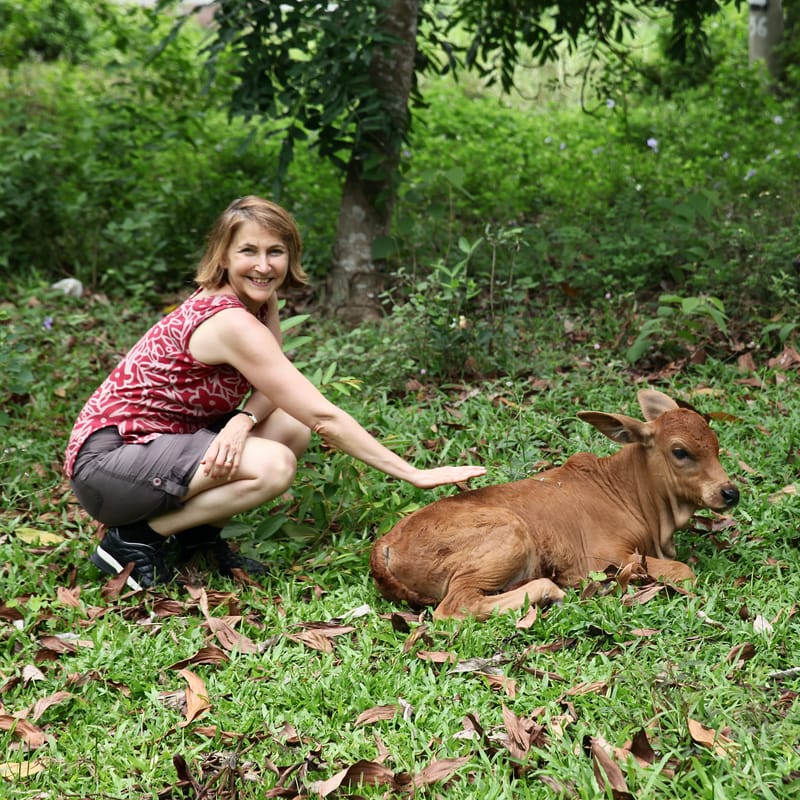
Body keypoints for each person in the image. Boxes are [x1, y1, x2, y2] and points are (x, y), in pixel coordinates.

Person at [65, 196, 486, 590]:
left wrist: (242, 419)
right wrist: (412, 473)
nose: (264, 266)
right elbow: (323, 417)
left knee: (288, 425)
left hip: (157, 446)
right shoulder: (232, 322)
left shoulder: (259, 302)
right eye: (248, 251)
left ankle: (197, 538)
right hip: (107, 467)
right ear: (223, 256)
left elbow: (274, 386)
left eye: (275, 251)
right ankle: (134, 539)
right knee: (274, 465)